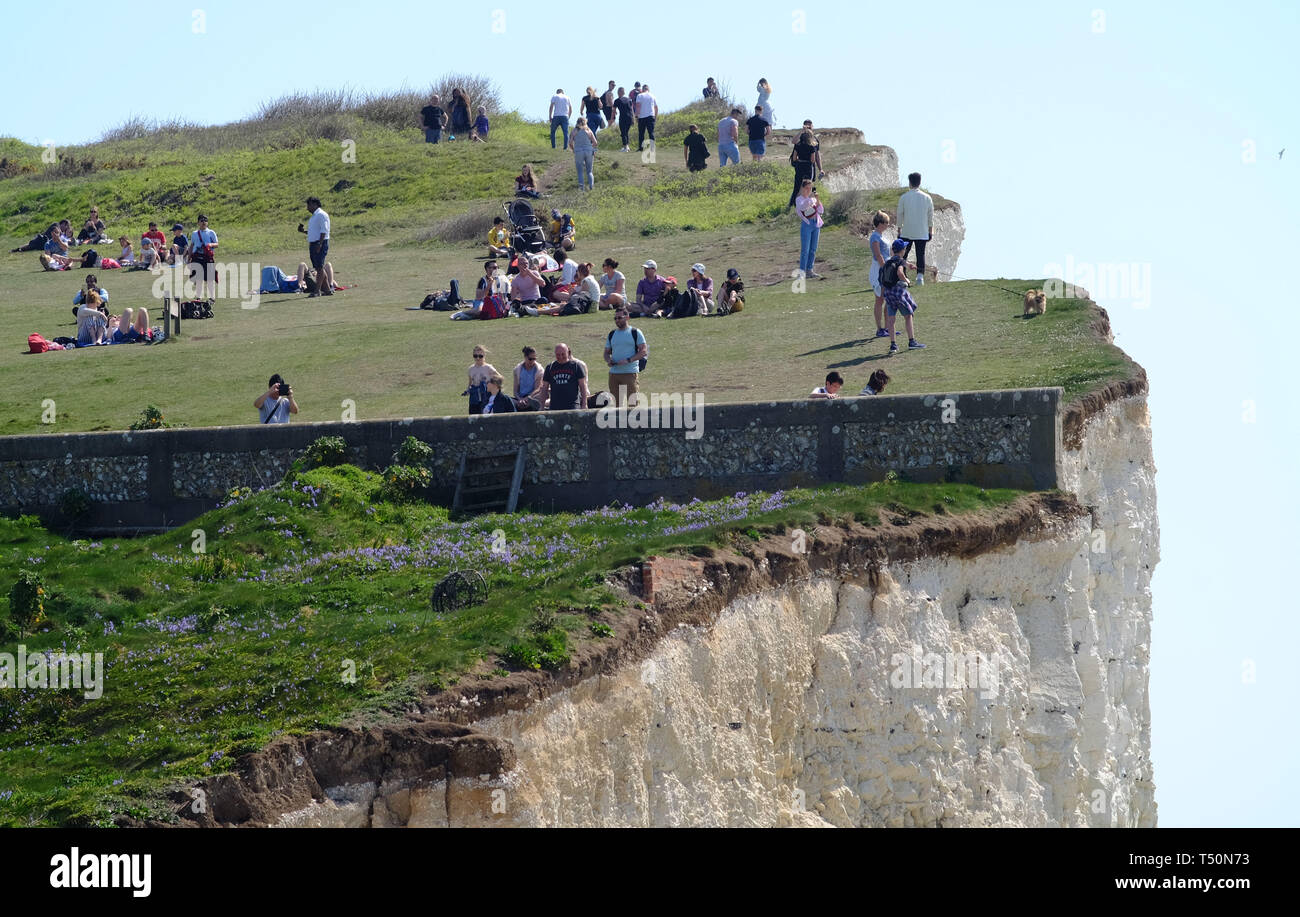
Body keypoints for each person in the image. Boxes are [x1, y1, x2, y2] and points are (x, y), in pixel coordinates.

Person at [880, 238, 925, 353]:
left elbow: (902, 263)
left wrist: (910, 265)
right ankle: (911, 341)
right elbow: (900, 272)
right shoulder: (899, 262)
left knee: (891, 319)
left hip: (889, 294)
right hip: (898, 293)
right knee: (908, 315)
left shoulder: (888, 262)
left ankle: (893, 345)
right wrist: (907, 280)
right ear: (903, 250)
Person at [896, 172, 935, 285]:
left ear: (910, 182)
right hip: (922, 231)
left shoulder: (904, 197)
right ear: (919, 182)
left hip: (907, 231)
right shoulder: (927, 197)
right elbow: (930, 215)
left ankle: (902, 276)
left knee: (904, 254)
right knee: (920, 254)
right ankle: (919, 277)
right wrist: (930, 230)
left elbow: (900, 214)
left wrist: (899, 229)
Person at [604, 308, 647, 406]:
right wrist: (608, 360)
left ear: (627, 317)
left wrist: (628, 360)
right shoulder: (612, 334)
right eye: (615, 318)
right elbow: (606, 352)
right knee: (616, 405)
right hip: (614, 374)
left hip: (630, 373)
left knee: (633, 404)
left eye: (619, 318)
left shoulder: (635, 332)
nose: (617, 320)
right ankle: (618, 421)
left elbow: (643, 351)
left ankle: (635, 421)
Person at [539, 343, 589, 411]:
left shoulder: (576, 366)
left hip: (573, 407)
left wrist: (584, 404)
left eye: (563, 354)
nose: (561, 357)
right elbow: (544, 388)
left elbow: (583, 386)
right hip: (554, 408)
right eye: (558, 355)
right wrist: (541, 406)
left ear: (568, 353)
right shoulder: (550, 367)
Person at [868, 210, 892, 338]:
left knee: (888, 298)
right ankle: (880, 328)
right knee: (879, 299)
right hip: (879, 270)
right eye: (886, 222)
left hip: (886, 267)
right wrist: (885, 269)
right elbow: (878, 255)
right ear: (880, 223)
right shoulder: (875, 237)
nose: (888, 225)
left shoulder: (883, 236)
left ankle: (888, 327)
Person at [303, 197, 333, 298]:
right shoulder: (314, 216)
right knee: (318, 268)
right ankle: (328, 290)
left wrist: (320, 244)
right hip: (314, 243)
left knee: (319, 268)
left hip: (320, 243)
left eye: (309, 205)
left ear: (315, 204)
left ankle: (317, 291)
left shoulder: (321, 215)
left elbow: (324, 231)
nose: (308, 208)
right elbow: (315, 231)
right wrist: (303, 231)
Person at [794, 179, 824, 279]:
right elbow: (802, 207)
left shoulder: (813, 199)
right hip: (807, 224)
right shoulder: (799, 199)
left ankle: (809, 270)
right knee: (805, 250)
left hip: (815, 223)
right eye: (806, 188)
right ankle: (802, 272)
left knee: (813, 249)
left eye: (810, 188)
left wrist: (817, 200)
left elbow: (820, 210)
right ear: (802, 188)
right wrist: (810, 199)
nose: (808, 190)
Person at [188, 215, 219, 300]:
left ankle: (212, 297)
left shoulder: (211, 232)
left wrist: (210, 245)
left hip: (207, 257)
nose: (203, 222)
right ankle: (198, 297)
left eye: (205, 220)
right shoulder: (194, 234)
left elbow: (216, 244)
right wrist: (188, 258)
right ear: (198, 223)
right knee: (198, 279)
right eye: (201, 220)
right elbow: (192, 246)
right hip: (197, 257)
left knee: (210, 279)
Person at [788, 130, 819, 209]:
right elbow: (813, 160)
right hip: (808, 166)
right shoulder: (811, 146)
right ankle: (809, 205)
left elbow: (794, 158)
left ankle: (792, 204)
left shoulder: (798, 145)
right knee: (808, 186)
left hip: (799, 166)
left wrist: (799, 160)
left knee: (797, 186)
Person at [465, 346, 499, 415]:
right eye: (475, 356)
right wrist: (467, 390)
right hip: (474, 398)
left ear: (484, 356)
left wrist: (492, 387)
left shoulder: (488, 367)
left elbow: (499, 377)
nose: (477, 358)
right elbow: (470, 383)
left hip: (486, 397)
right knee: (473, 417)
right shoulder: (471, 369)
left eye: (480, 356)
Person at [571, 117, 597, 191]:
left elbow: (570, 142)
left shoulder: (574, 131)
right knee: (589, 171)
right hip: (589, 151)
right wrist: (591, 148)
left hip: (578, 151)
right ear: (586, 122)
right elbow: (595, 142)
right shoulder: (588, 130)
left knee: (580, 171)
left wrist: (573, 149)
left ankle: (581, 188)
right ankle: (591, 187)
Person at [635, 83, 658, 151]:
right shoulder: (653, 96)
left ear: (642, 89)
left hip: (642, 117)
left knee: (641, 133)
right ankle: (652, 147)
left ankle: (641, 148)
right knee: (651, 132)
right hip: (651, 116)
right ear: (648, 89)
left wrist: (636, 116)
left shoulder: (640, 95)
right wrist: (655, 117)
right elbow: (656, 108)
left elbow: (638, 106)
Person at [613, 87, 634, 153]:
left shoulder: (617, 100)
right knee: (626, 132)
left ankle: (625, 147)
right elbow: (632, 109)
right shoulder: (629, 100)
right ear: (624, 92)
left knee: (623, 132)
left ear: (619, 92)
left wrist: (612, 117)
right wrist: (633, 119)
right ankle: (627, 146)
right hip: (630, 117)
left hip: (623, 117)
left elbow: (613, 109)